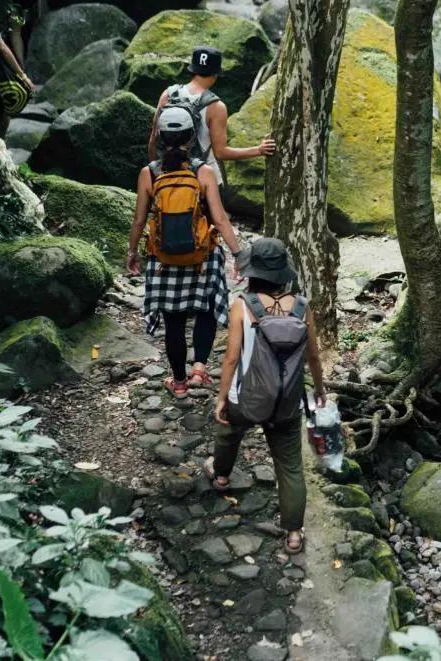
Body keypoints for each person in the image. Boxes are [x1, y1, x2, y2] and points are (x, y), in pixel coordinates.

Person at [210, 238, 326, 555]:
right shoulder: (302, 307)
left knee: (228, 432)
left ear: (253, 273)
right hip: (287, 402)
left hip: (246, 398)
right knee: (290, 466)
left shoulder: (242, 306)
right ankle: (293, 533)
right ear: (283, 273)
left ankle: (220, 477)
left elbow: (231, 359)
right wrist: (319, 389)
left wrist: (222, 397)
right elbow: (313, 358)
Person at [127, 106, 244, 395]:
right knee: (205, 310)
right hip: (203, 256)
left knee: (173, 320)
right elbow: (218, 218)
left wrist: (132, 252)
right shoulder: (202, 171)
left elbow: (140, 220)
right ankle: (200, 370)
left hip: (163, 258)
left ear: (159, 137)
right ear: (191, 138)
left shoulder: (149, 173)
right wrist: (238, 254)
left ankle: (178, 382)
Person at [148, 46, 276, 183]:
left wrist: (158, 174)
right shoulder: (216, 106)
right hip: (203, 180)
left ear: (193, 69)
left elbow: (153, 140)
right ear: (215, 74)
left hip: (168, 177)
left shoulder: (168, 94)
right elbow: (221, 153)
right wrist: (259, 150)